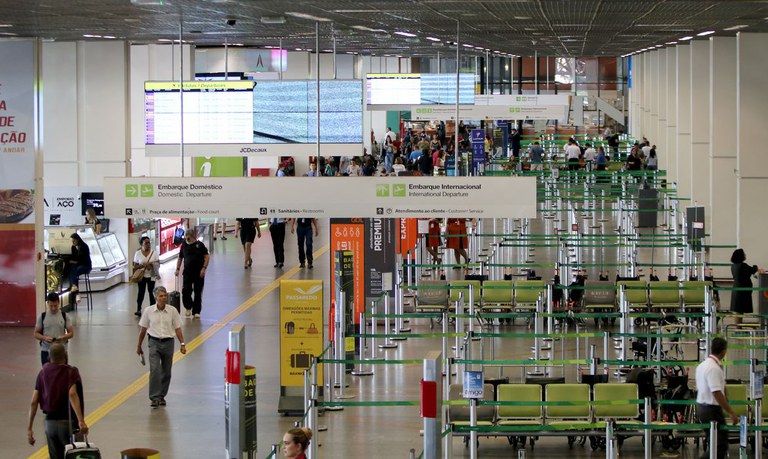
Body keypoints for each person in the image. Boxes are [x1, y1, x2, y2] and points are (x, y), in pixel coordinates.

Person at [27, 343, 88, 459]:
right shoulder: (71, 372)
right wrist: (81, 420)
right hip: (68, 423)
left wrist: (29, 428)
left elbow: (34, 401)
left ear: (49, 357)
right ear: (65, 355)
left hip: (50, 424)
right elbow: (72, 394)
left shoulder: (42, 373)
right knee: (72, 455)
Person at [136, 286, 186, 408]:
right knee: (155, 370)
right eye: (161, 296)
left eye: (165, 296)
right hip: (154, 342)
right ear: (155, 298)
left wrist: (182, 344)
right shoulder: (148, 311)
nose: (164, 298)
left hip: (168, 342)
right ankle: (154, 397)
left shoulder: (172, 311)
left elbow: (178, 328)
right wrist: (139, 345)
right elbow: (143, 330)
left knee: (166, 371)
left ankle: (161, 395)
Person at [696, 337, 739, 459]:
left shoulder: (702, 365)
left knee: (714, 443)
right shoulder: (713, 368)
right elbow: (716, 392)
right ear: (724, 351)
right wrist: (730, 412)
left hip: (701, 408)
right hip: (711, 409)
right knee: (720, 445)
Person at [175, 228, 209, 319]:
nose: (187, 239)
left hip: (198, 273)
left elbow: (206, 256)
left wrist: (204, 268)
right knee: (186, 290)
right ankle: (188, 306)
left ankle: (196, 311)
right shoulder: (184, 245)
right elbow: (180, 258)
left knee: (198, 292)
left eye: (188, 237)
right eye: (186, 237)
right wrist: (177, 269)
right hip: (187, 272)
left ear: (193, 237)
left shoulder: (200, 245)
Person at [34, 292, 73, 366]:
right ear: (47, 303)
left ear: (59, 303)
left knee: (62, 374)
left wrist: (63, 337)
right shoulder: (42, 317)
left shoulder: (65, 316)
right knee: (47, 374)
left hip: (61, 351)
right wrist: (45, 338)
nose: (53, 308)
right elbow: (36, 333)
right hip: (46, 351)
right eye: (51, 306)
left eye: (55, 305)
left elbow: (71, 333)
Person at [730, 248, 764, 321]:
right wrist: (756, 266)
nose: (745, 255)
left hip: (736, 288)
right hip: (742, 290)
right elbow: (752, 269)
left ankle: (738, 328)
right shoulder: (743, 265)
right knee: (739, 310)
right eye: (744, 254)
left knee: (738, 310)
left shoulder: (733, 266)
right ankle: (738, 329)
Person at [133, 236, 160, 317]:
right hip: (142, 276)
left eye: (149, 243)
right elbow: (135, 266)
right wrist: (143, 265)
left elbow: (158, 263)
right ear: (142, 244)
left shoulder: (154, 253)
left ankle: (152, 308)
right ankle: (138, 309)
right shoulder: (138, 253)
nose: (148, 244)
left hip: (151, 275)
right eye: (146, 243)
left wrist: (151, 265)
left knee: (151, 292)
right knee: (141, 292)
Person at [67, 233, 91, 303]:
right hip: (78, 265)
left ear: (77, 240)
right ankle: (75, 289)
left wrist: (74, 262)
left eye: (74, 241)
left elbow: (83, 260)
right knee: (73, 269)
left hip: (86, 266)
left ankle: (75, 290)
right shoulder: (73, 248)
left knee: (74, 270)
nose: (73, 243)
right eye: (72, 241)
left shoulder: (84, 247)